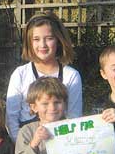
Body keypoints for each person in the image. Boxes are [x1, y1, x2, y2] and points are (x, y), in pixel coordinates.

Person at [6, 12, 82, 142]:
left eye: (49, 38)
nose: (42, 45)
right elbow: (11, 117)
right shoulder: (20, 74)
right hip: (28, 140)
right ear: (29, 42)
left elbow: (74, 116)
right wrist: (22, 145)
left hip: (61, 141)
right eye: (36, 39)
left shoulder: (71, 75)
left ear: (58, 40)